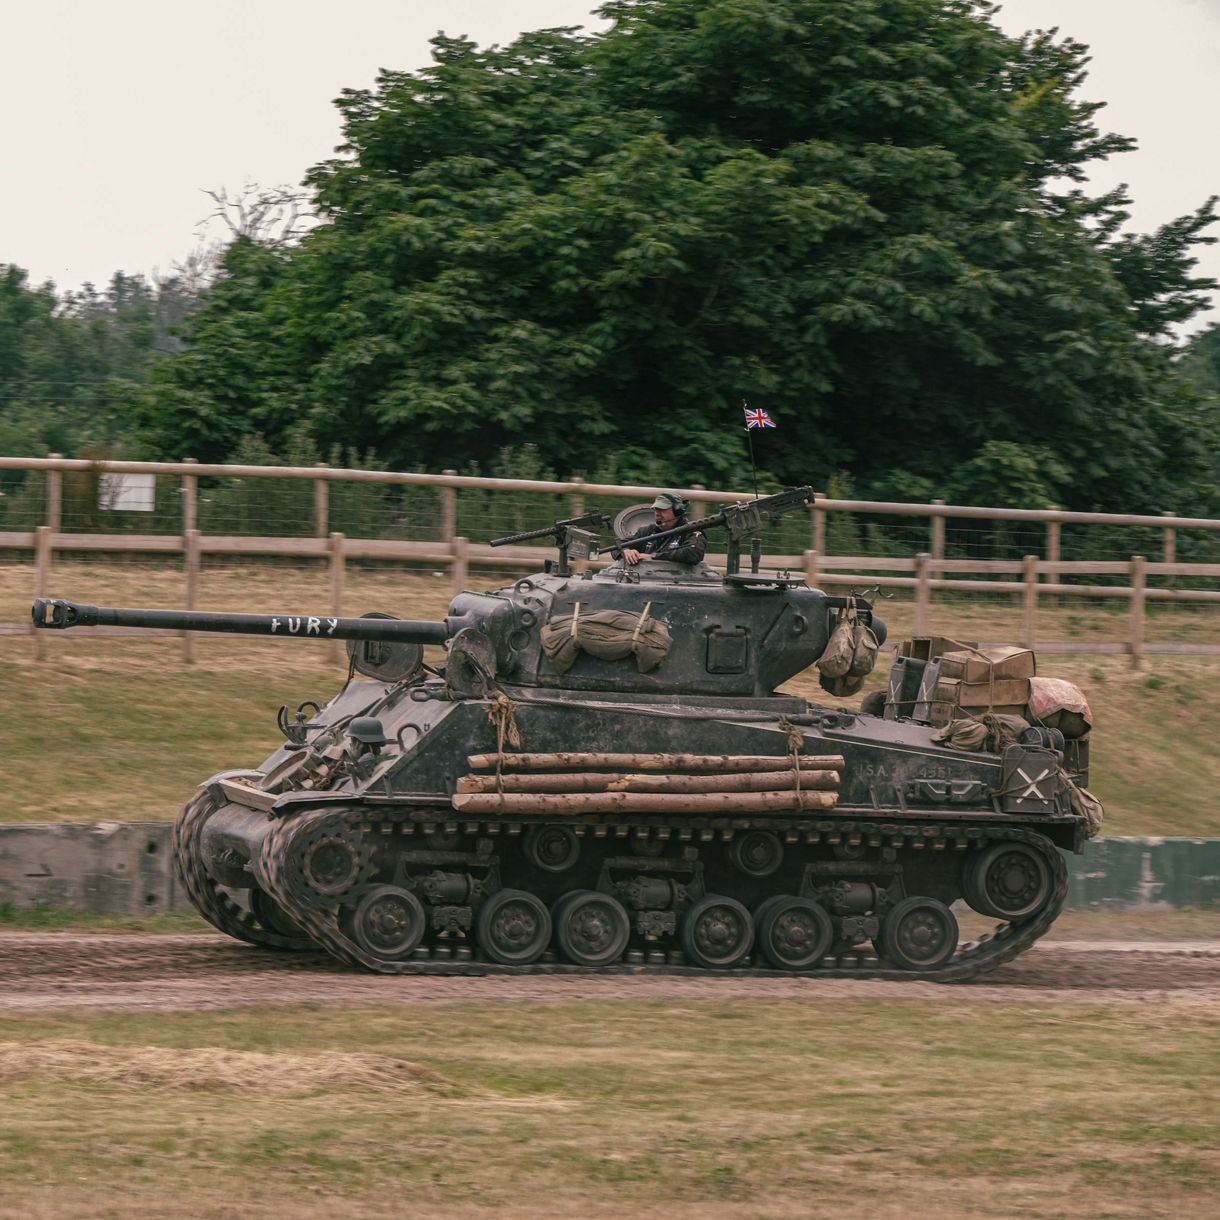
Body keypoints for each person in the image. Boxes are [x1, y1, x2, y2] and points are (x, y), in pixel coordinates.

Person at [621, 492, 707, 565]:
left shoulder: (691, 531)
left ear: (677, 511)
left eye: (662, 509)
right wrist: (626, 551)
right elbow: (618, 546)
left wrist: (652, 557)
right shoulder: (647, 531)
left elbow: (693, 553)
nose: (657, 513)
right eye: (656, 509)